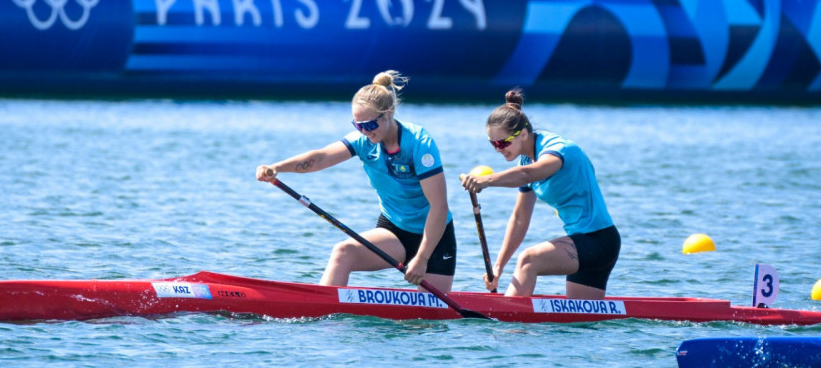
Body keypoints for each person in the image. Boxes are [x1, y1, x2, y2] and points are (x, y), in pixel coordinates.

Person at [256, 70, 456, 291]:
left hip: (435, 237)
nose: (364, 131)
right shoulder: (363, 141)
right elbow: (319, 158)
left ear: (388, 113)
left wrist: (422, 258)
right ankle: (322, 319)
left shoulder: (419, 143)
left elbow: (439, 206)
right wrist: (277, 167)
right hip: (394, 231)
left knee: (429, 320)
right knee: (343, 252)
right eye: (357, 125)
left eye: (369, 125)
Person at [460, 89, 619, 298]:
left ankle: (509, 327)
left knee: (528, 259)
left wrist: (486, 181)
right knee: (581, 325)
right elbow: (519, 219)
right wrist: (498, 267)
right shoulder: (525, 159)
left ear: (523, 134)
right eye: (493, 144)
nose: (498, 149)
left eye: (503, 142)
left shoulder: (559, 149)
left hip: (598, 241)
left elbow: (528, 174)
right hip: (582, 245)